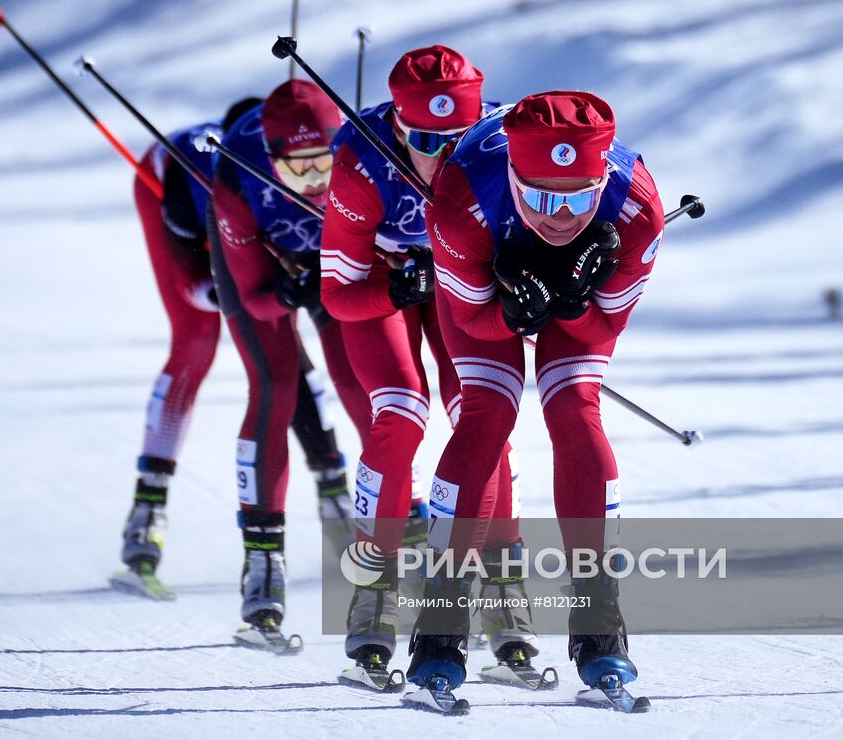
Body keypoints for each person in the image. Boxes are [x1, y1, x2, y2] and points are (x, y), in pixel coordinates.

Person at [406, 89, 665, 699]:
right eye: (542, 197)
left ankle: (601, 627)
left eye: (579, 196)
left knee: (576, 411)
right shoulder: (461, 195)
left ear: (603, 178)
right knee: (487, 414)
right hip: (483, 295)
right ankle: (439, 627)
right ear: (514, 177)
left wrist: (571, 305)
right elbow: (471, 323)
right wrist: (509, 307)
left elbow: (603, 328)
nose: (560, 216)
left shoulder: (638, 211)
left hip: (576, 304)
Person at [319, 46, 533, 686]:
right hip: (385, 285)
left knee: (482, 415)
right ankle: (374, 591)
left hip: (462, 287)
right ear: (396, 129)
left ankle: (502, 592)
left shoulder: (502, 148)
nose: (442, 156)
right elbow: (337, 294)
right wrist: (399, 285)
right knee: (402, 413)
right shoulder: (361, 161)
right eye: (424, 140)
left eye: (457, 139)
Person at [114, 96, 355, 599]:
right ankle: (147, 511)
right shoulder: (195, 189)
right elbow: (196, 288)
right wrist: (259, 289)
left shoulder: (300, 172)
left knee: (295, 348)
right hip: (170, 191)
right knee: (197, 340)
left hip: (261, 209)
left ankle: (336, 499)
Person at [210, 79, 374, 639]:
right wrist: (283, 292)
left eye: (322, 165)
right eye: (295, 169)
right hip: (268, 270)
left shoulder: (361, 155)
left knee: (362, 385)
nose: (312, 182)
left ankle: (403, 541)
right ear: (272, 158)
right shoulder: (239, 172)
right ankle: (263, 563)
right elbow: (253, 296)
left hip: (333, 264)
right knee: (274, 386)